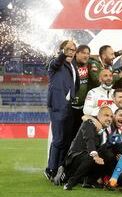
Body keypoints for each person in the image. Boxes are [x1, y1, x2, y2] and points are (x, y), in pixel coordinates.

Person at [45, 40, 79, 181]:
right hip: (58, 105)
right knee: (58, 139)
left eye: (73, 49)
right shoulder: (55, 63)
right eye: (68, 49)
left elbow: (74, 85)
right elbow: (56, 62)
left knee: (66, 140)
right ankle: (50, 169)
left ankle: (60, 168)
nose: (71, 51)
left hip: (69, 106)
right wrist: (62, 54)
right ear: (61, 50)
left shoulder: (72, 65)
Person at [62, 106, 114, 190]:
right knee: (91, 156)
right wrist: (95, 155)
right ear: (99, 116)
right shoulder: (89, 123)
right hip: (74, 159)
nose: (109, 118)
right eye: (106, 115)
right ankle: (70, 183)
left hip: (88, 162)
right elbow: (89, 139)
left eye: (111, 116)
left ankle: (90, 181)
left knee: (109, 155)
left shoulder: (106, 131)